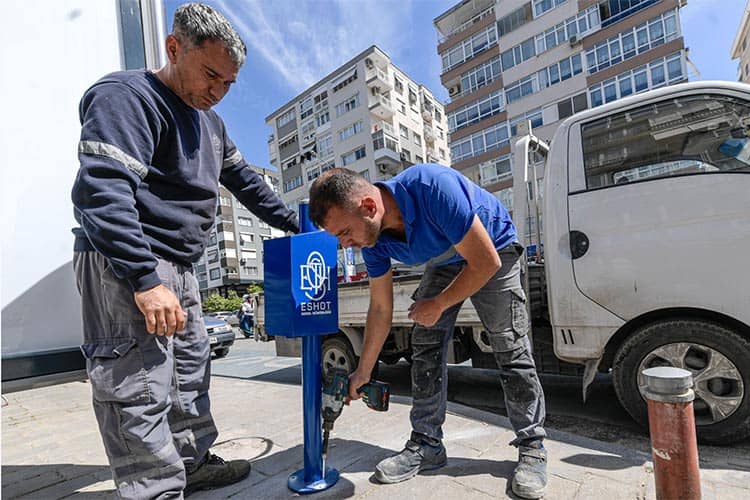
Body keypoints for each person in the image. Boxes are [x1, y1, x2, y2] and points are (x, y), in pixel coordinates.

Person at [70, 3, 299, 497]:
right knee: (136, 385)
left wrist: (302, 224)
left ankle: (191, 464)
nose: (218, 92)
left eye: (228, 83)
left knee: (188, 374)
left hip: (182, 264)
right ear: (174, 48)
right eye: (210, 75)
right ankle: (154, 490)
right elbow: (102, 192)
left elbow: (248, 185)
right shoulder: (127, 97)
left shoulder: (211, 124)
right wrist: (144, 279)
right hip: (129, 260)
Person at [308, 165, 548, 499]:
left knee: (509, 345)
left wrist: (438, 303)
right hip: (446, 258)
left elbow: (486, 262)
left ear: (369, 206)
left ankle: (532, 445)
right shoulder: (373, 242)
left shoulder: (433, 189)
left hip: (493, 247)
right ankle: (427, 444)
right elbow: (380, 308)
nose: (346, 245)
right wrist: (363, 371)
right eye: (339, 238)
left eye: (345, 233)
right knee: (425, 344)